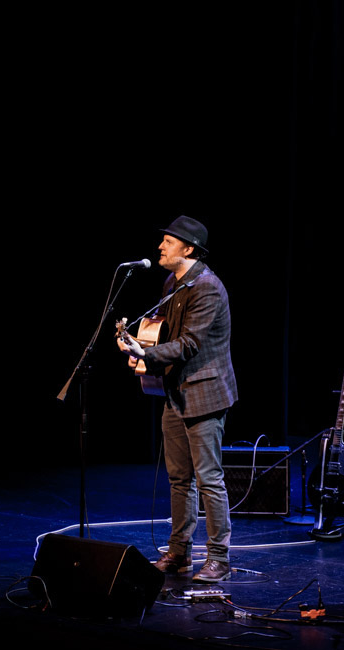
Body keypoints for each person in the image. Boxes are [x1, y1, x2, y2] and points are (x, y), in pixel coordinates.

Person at [116, 215, 238, 583]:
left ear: (188, 249)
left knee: (209, 479)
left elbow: (189, 343)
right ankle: (179, 552)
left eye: (168, 242)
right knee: (178, 478)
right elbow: (164, 327)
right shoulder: (174, 282)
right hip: (175, 391)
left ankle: (219, 557)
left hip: (205, 392)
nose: (160, 248)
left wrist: (147, 353)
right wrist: (137, 341)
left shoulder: (208, 288)